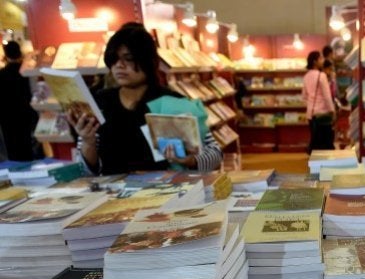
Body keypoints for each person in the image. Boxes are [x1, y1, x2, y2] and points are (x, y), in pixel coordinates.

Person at [68, 23, 222, 175]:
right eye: (113, 59)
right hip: (113, 195)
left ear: (147, 61)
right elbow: (86, 171)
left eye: (128, 59)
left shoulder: (173, 103)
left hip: (164, 193)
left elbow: (215, 155)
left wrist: (191, 160)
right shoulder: (100, 102)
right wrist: (87, 142)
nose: (119, 65)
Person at [0, 41, 39, 161]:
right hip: (27, 112)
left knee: (12, 144)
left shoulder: (1, 74)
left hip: (7, 116)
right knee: (29, 142)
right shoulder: (27, 72)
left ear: (6, 55)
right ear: (20, 53)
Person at [303, 51, 335, 153]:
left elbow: (304, 96)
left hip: (311, 114)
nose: (323, 60)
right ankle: (324, 164)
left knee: (315, 140)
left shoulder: (306, 76)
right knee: (325, 143)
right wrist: (332, 110)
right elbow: (327, 96)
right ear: (315, 62)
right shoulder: (321, 75)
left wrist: (310, 105)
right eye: (320, 58)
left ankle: (314, 164)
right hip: (322, 114)